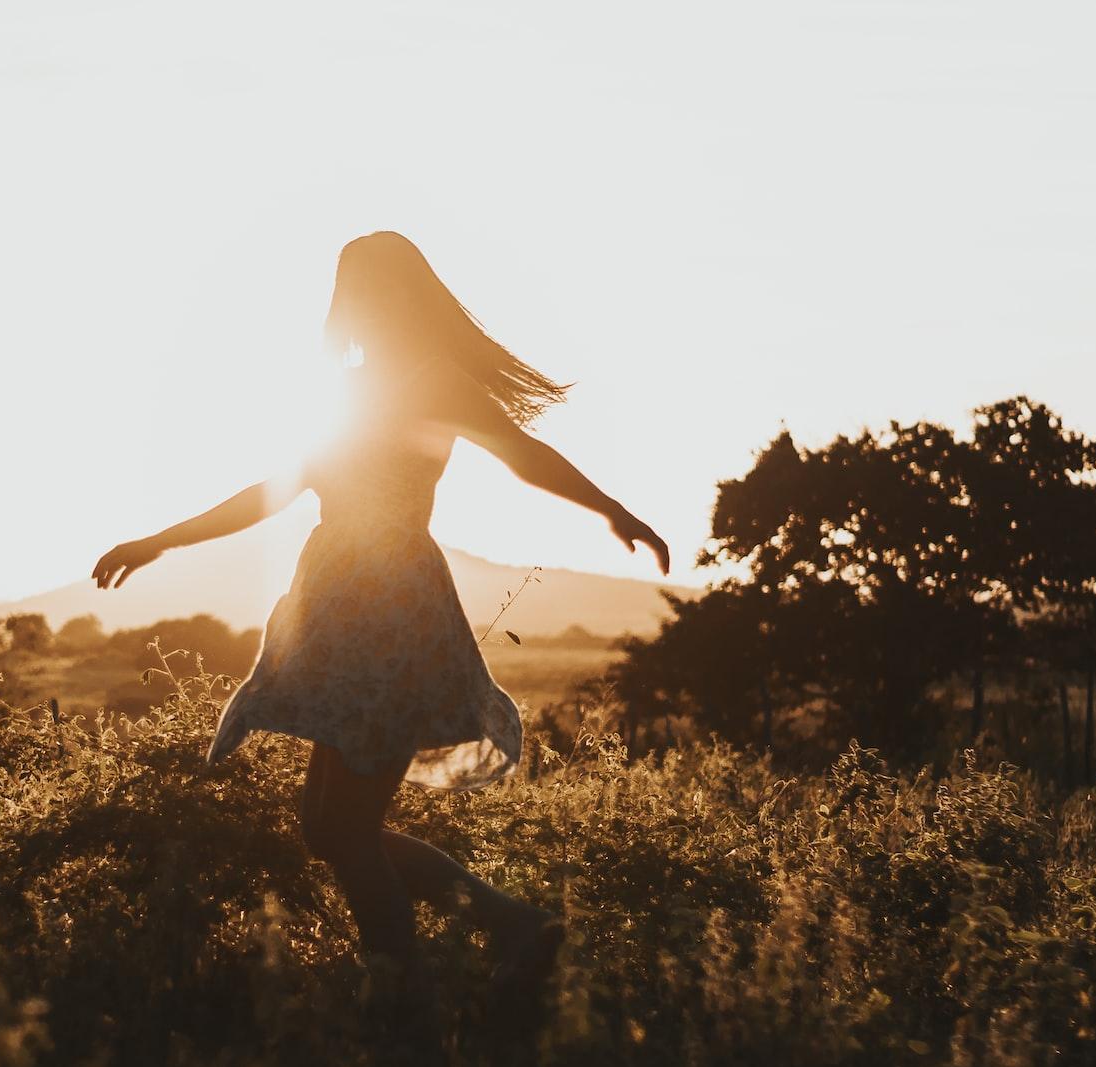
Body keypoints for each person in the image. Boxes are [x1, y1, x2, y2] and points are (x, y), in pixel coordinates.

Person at [93, 231, 669, 1003]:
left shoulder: (437, 380)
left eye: (372, 291)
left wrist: (612, 509)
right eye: (350, 293)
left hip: (394, 615)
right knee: (327, 829)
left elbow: (523, 456)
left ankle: (408, 1006)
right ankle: (509, 926)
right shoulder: (346, 390)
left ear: (405, 296)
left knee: (351, 832)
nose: (357, 307)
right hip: (335, 615)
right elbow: (276, 486)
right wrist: (160, 539)